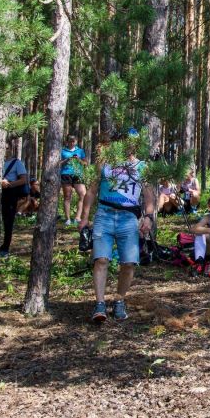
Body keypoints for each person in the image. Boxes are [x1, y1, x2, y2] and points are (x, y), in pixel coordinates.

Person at [79, 128, 155, 322]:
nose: (130, 145)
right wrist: (84, 217)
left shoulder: (142, 166)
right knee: (101, 259)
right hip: (104, 215)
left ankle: (120, 301)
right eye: (126, 141)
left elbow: (148, 195)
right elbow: (92, 191)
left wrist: (148, 217)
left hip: (128, 218)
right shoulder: (105, 163)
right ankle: (100, 304)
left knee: (128, 262)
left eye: (134, 142)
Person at [0, 140, 28, 257]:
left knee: (8, 221)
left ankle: (5, 248)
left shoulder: (17, 163)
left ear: (10, 149)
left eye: (6, 148)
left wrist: (9, 184)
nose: (4, 150)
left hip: (9, 193)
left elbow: (23, 179)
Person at [60, 134, 87, 226]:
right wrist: (67, 160)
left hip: (78, 174)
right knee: (67, 196)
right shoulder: (62, 151)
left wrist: (78, 159)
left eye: (73, 141)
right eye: (70, 141)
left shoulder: (80, 151)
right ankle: (67, 219)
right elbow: (58, 163)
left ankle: (78, 217)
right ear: (67, 141)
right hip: (66, 174)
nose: (72, 143)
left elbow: (85, 163)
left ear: (76, 141)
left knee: (82, 194)